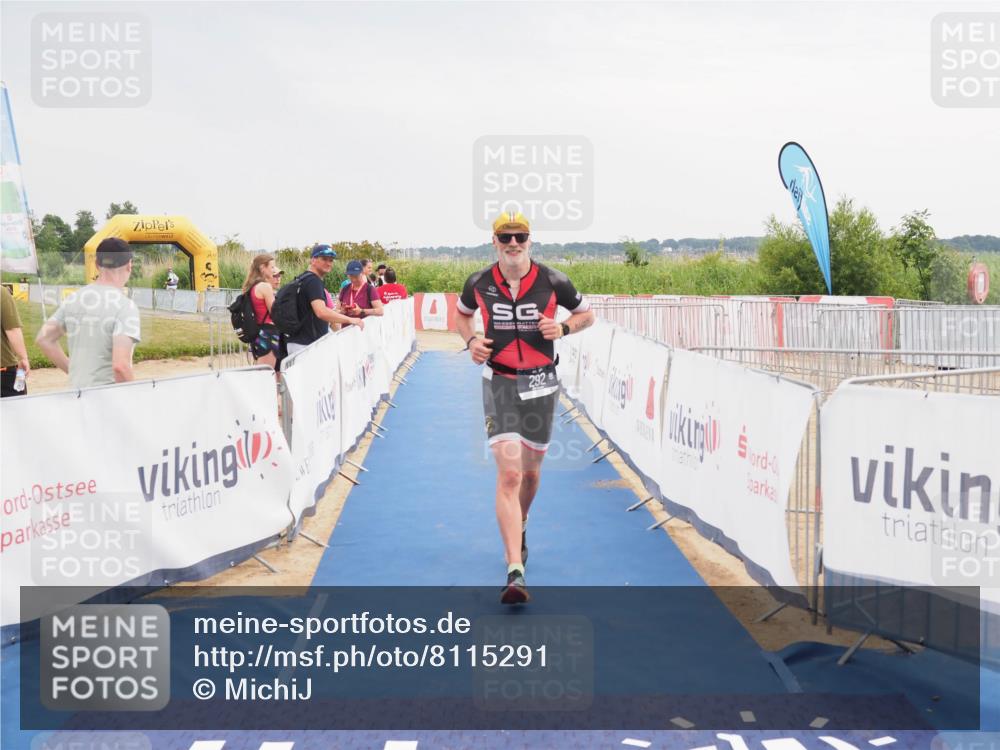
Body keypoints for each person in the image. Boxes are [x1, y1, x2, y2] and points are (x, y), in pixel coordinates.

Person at [456, 210, 594, 604]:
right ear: (494, 241)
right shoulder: (479, 282)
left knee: (531, 476)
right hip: (498, 382)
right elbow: (461, 317)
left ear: (530, 240)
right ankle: (515, 571)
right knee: (510, 474)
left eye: (520, 236)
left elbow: (588, 315)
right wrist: (471, 342)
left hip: (541, 383)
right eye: (505, 237)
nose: (513, 243)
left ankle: (523, 522)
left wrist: (564, 328)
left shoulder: (554, 281)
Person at [36, 237, 141, 389]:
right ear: (129, 265)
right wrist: (135, 397)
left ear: (97, 264)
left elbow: (44, 339)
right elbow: (120, 366)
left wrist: (73, 371)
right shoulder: (125, 307)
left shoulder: (74, 298)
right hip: (107, 398)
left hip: (77, 394)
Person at [286, 244, 364, 356]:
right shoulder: (313, 281)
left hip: (298, 342)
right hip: (307, 346)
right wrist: (351, 320)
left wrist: (339, 313)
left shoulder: (302, 278)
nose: (328, 263)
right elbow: (321, 312)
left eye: (331, 260)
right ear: (313, 260)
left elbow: (310, 311)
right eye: (324, 259)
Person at [242, 253, 283, 370]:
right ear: (262, 268)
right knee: (267, 376)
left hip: (260, 333)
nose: (274, 270)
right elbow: (274, 313)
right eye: (272, 267)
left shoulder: (252, 286)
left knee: (269, 374)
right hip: (269, 334)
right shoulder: (265, 286)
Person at [1, 285, 31, 397]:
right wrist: (23, 358)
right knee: (16, 411)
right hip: (3, 370)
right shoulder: (1, 293)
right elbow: (12, 329)